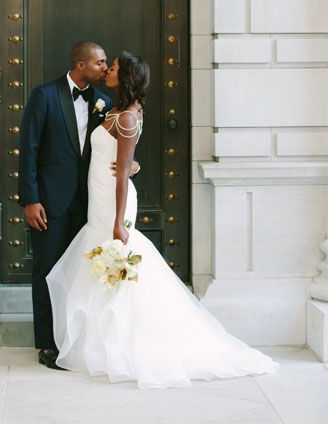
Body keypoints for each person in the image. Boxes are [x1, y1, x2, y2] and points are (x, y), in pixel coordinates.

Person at [46, 52, 278, 388]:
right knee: (101, 273)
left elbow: (123, 173)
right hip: (100, 197)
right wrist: (129, 167)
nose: (107, 71)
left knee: (117, 271)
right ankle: (96, 345)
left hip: (114, 202)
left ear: (124, 77)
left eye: (112, 69)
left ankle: (123, 345)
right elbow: (123, 160)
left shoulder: (126, 117)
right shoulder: (115, 108)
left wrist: (118, 222)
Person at [19, 41, 134, 369]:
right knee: (47, 272)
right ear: (81, 65)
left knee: (78, 275)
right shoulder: (45, 96)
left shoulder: (105, 102)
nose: (104, 68)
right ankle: (47, 345)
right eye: (99, 62)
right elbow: (28, 149)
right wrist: (30, 199)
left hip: (90, 204)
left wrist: (132, 165)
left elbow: (117, 148)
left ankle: (74, 340)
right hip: (49, 203)